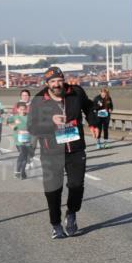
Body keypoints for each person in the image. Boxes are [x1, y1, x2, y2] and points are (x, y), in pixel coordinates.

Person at [28, 67, 96, 239]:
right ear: (47, 83)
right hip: (51, 151)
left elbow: (88, 107)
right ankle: (56, 224)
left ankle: (71, 213)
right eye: (52, 82)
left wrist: (93, 123)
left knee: (76, 186)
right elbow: (32, 126)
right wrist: (50, 122)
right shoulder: (38, 100)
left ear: (63, 80)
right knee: (53, 190)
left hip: (75, 148)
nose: (57, 84)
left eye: (59, 80)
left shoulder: (76, 92)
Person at [6, 102, 30, 179]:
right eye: (21, 109)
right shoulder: (14, 117)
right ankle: (19, 171)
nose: (22, 111)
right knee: (22, 154)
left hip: (28, 139)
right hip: (18, 140)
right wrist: (14, 126)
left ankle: (22, 171)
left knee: (25, 157)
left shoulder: (29, 117)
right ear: (17, 109)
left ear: (26, 109)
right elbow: (8, 122)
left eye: (24, 109)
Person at [19, 89, 36, 168]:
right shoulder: (17, 106)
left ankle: (30, 158)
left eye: (26, 95)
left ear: (29, 96)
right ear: (21, 96)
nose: (25, 97)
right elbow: (12, 118)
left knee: (32, 146)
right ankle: (28, 160)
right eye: (23, 95)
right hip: (22, 130)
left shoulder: (34, 105)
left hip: (33, 130)